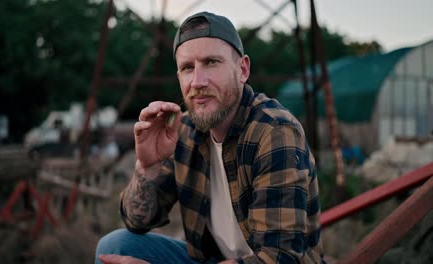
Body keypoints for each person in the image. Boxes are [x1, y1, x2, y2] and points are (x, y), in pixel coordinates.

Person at [96, 11, 324, 264]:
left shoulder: (274, 131)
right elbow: (136, 222)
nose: (197, 81)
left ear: (243, 69)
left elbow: (280, 258)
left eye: (211, 62)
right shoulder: (182, 129)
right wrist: (147, 167)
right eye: (187, 68)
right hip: (214, 259)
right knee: (115, 246)